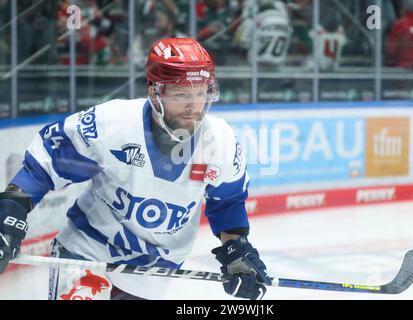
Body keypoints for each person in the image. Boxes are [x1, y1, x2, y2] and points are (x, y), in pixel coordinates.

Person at [0, 38, 271, 300]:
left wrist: (236, 250)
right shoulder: (112, 124)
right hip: (90, 248)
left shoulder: (221, 141)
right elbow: (48, 162)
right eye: (181, 94)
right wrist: (12, 209)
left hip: (156, 268)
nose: (193, 107)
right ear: (155, 92)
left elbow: (227, 203)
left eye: (200, 93)